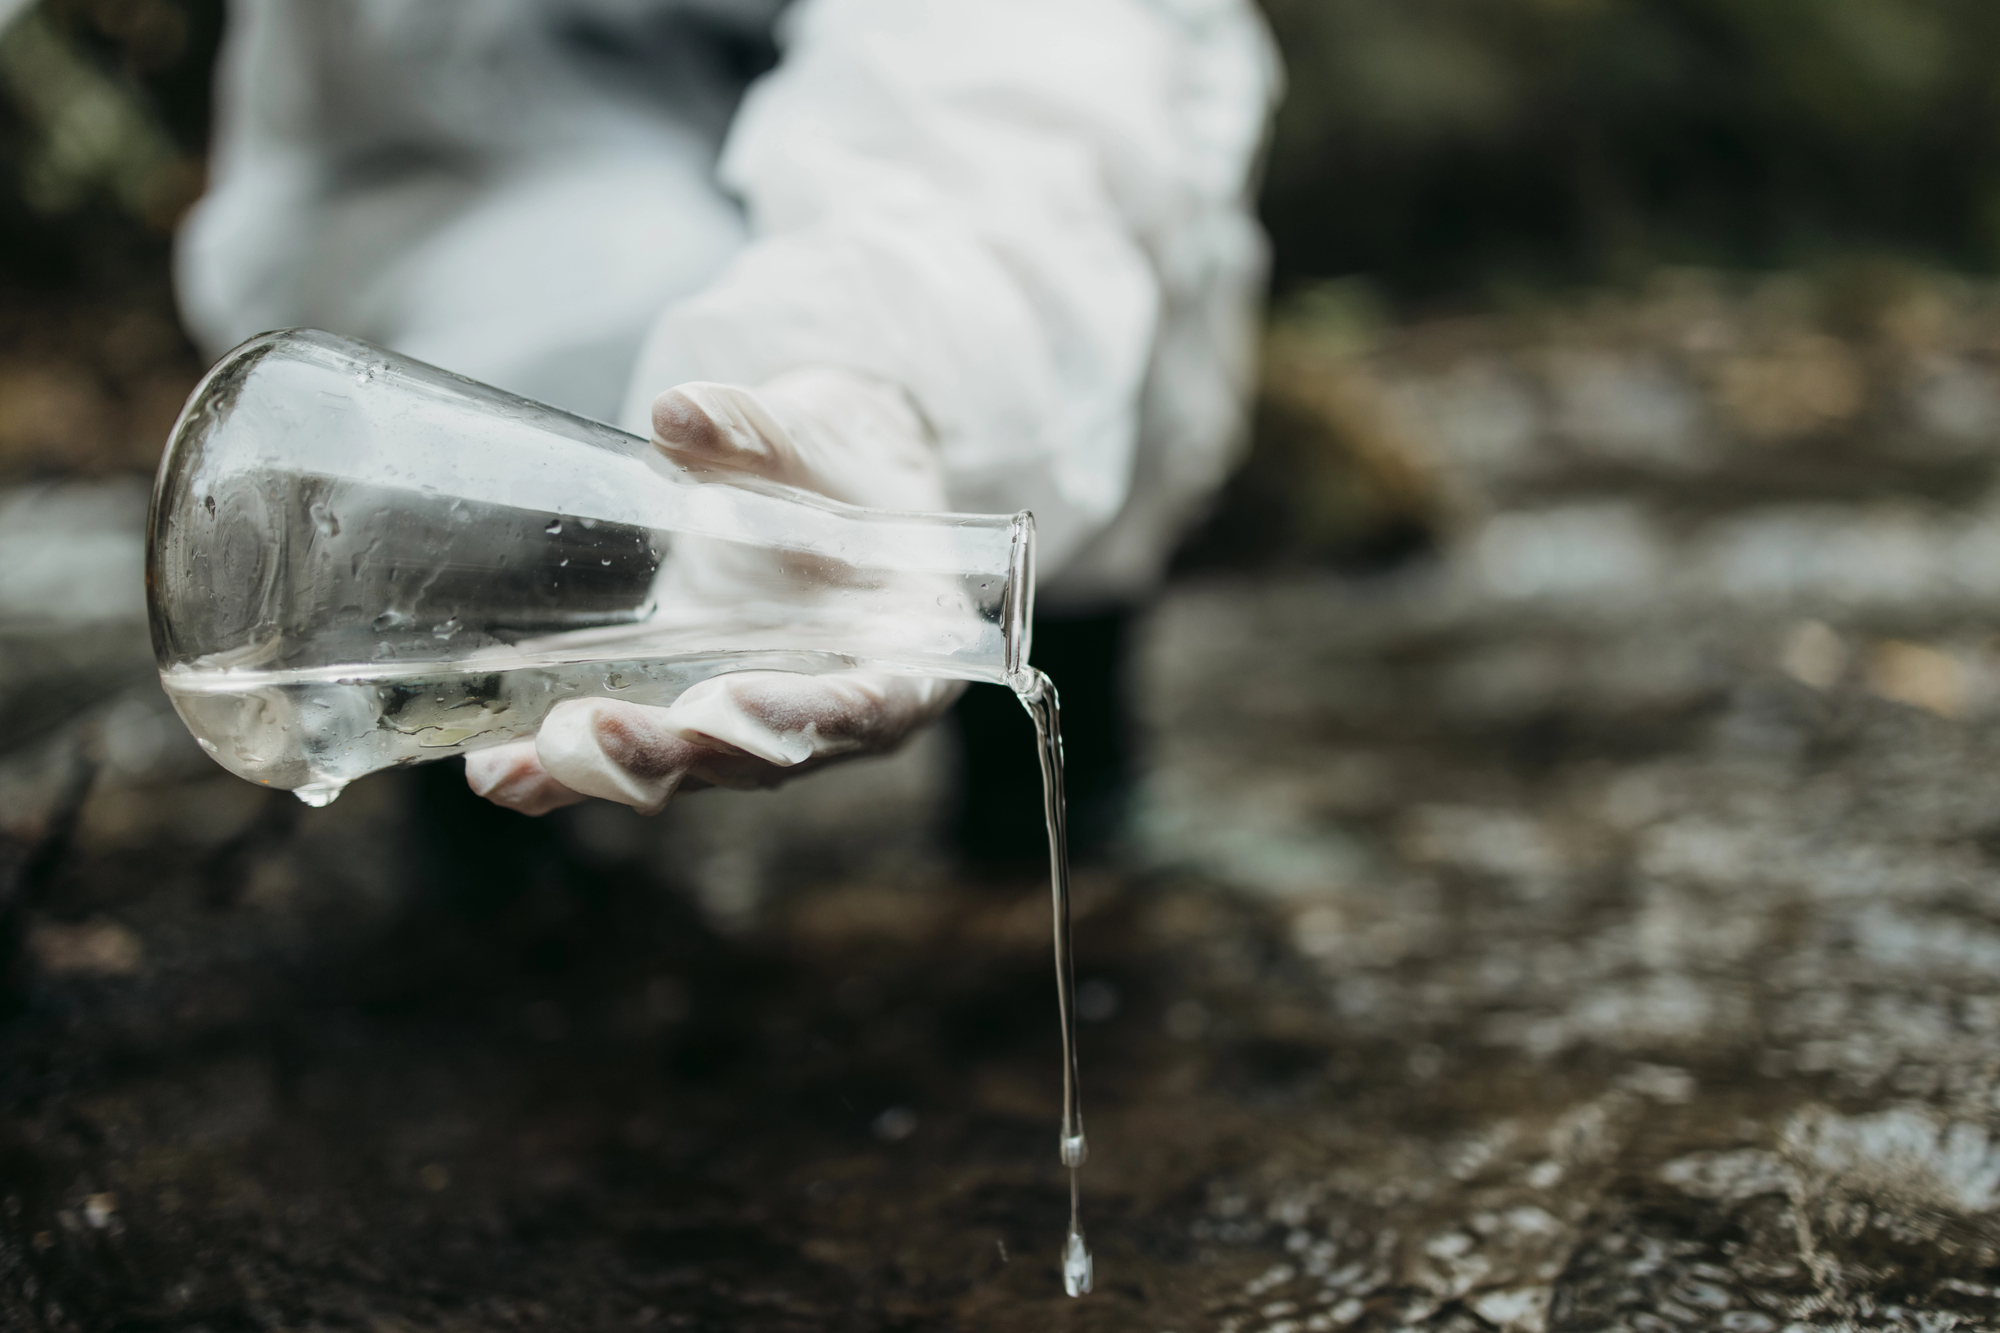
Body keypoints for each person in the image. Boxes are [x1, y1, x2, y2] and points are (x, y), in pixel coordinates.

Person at [178, 0, 1279, 858]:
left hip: (964, 147)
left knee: (1094, 263)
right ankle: (488, 834)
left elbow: (1025, 82)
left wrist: (875, 379)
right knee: (555, 351)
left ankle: (1048, 761)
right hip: (473, 149)